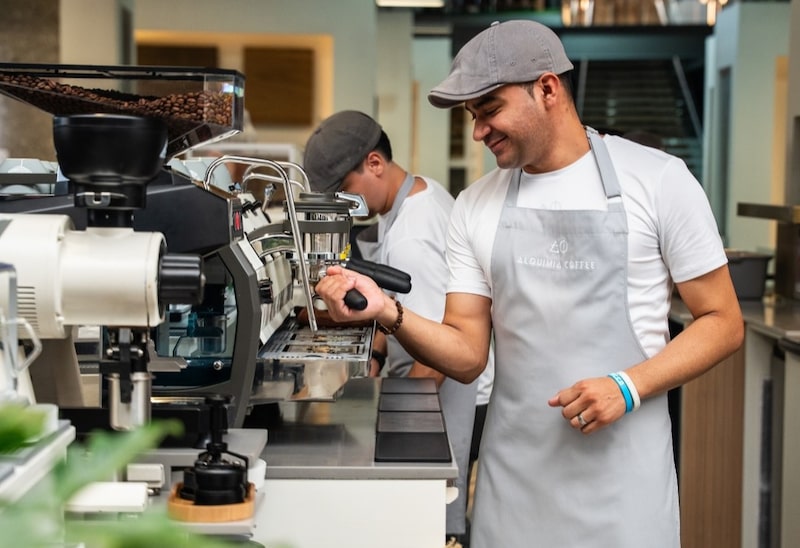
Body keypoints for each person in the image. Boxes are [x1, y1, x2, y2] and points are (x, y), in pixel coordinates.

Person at [313, 20, 743, 548]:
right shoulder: (475, 205)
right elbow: (468, 354)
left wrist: (628, 387)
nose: (478, 131)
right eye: (473, 116)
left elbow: (723, 322)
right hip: (513, 485)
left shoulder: (659, 180)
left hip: (624, 487)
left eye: (490, 110)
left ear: (547, 88)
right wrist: (387, 311)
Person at [303, 110, 494, 544]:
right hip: (435, 381)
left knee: (432, 518)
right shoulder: (414, 198)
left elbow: (444, 346)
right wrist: (372, 359)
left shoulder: (413, 233)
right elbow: (395, 311)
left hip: (451, 394)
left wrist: (398, 425)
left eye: (345, 191)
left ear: (374, 163)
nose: (345, 204)